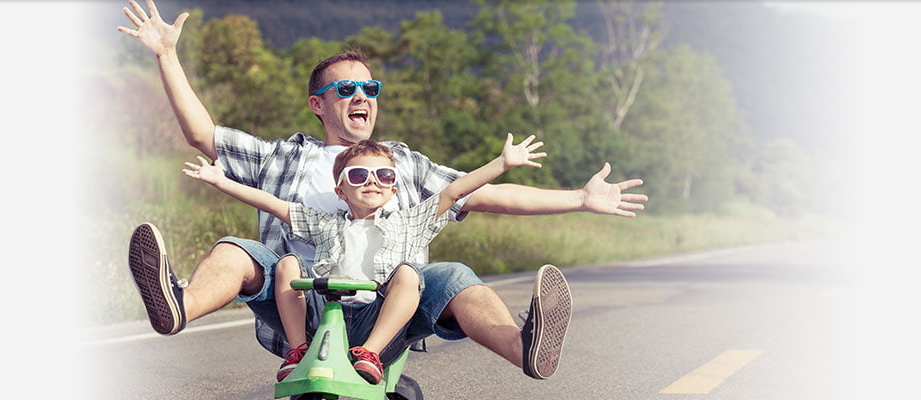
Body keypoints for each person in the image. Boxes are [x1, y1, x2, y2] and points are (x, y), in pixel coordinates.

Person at [118, 0, 647, 381]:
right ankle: (177, 306)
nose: (361, 95)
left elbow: (480, 194)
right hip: (298, 304)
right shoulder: (283, 156)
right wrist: (166, 54)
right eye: (344, 87)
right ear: (317, 104)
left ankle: (526, 347)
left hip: (384, 307)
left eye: (370, 87)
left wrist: (579, 198)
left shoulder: (402, 163)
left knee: (452, 276)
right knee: (237, 251)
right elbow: (202, 135)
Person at [180, 135, 546, 384]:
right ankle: (296, 350)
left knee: (407, 273)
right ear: (340, 189)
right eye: (359, 175)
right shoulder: (324, 223)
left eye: (384, 175)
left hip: (378, 322)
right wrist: (221, 181)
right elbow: (272, 204)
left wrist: (502, 163)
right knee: (289, 263)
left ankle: (369, 355)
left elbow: (455, 190)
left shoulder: (409, 221)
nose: (373, 181)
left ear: (393, 187)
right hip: (323, 316)